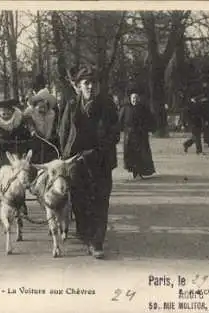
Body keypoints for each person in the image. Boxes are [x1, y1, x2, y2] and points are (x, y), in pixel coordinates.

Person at [58, 65, 120, 259]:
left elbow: (114, 133)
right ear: (78, 86)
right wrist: (65, 155)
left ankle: (96, 242)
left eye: (94, 83)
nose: (91, 87)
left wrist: (97, 152)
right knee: (78, 200)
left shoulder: (107, 105)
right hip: (76, 161)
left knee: (100, 201)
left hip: (101, 160)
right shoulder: (72, 104)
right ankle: (85, 234)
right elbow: (64, 130)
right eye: (86, 83)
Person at [119, 88, 156, 179]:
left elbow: (150, 119)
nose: (134, 100)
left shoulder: (143, 108)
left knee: (141, 154)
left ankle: (140, 172)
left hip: (141, 135)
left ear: (138, 98)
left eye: (136, 98)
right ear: (130, 98)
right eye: (133, 98)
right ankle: (135, 173)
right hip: (129, 135)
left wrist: (150, 129)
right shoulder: (125, 108)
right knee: (132, 154)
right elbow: (119, 121)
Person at [24, 95, 60, 164]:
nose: (42, 110)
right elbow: (29, 123)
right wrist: (32, 130)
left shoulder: (51, 115)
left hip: (49, 141)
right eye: (40, 107)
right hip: (35, 140)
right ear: (35, 107)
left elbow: (55, 126)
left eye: (44, 107)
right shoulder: (31, 114)